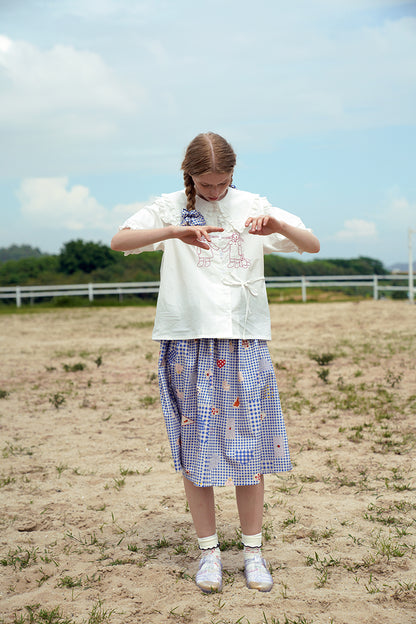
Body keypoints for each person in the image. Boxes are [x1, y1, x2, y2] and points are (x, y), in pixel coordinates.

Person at [111, 132, 320, 593]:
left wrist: (278, 228)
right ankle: (208, 553)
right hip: (187, 338)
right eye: (205, 185)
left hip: (243, 340)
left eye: (222, 183)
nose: (214, 193)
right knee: (197, 449)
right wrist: (174, 232)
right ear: (189, 176)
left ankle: (253, 552)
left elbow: (312, 243)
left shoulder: (252, 204)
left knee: (249, 450)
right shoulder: (169, 207)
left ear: (233, 174)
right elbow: (119, 241)